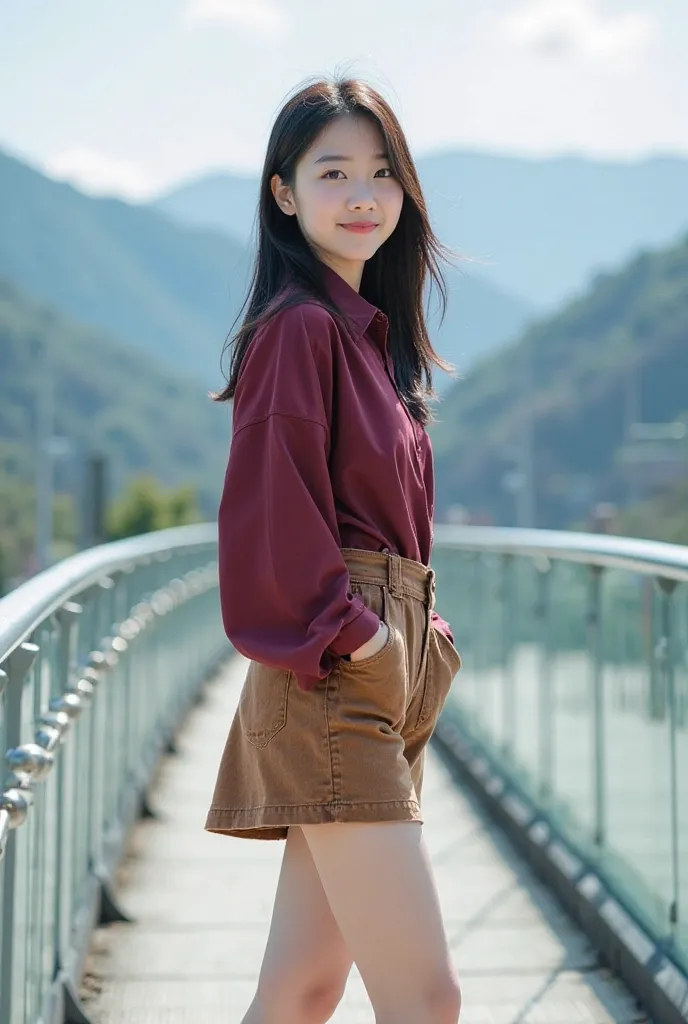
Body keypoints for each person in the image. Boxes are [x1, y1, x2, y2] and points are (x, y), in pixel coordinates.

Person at [205, 75, 463, 1024]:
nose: (364, 197)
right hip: (336, 678)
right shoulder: (300, 331)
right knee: (426, 999)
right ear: (284, 192)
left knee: (302, 990)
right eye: (334, 173)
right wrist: (360, 638)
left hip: (377, 669)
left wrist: (420, 634)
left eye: (383, 173)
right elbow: (271, 513)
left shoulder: (368, 341)